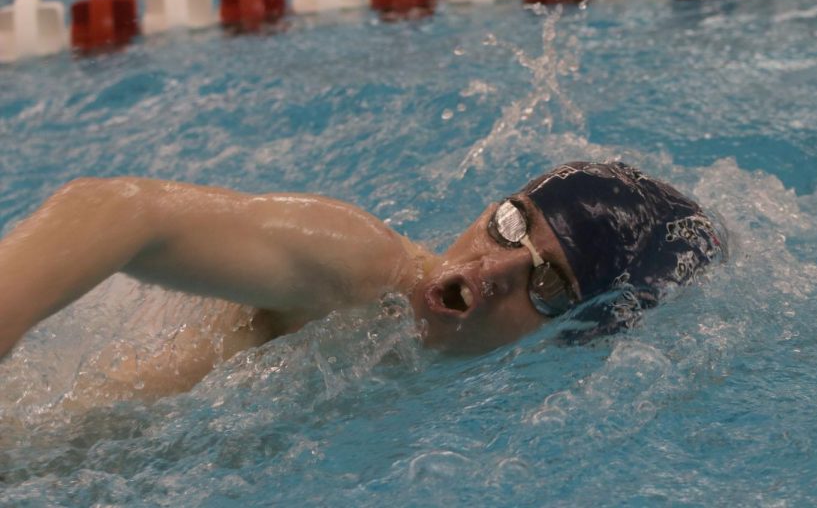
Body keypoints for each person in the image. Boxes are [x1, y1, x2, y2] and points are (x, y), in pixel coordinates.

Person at [0, 161, 724, 403]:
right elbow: (117, 210)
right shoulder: (360, 270)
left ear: (579, 337)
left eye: (551, 285)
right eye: (510, 223)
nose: (490, 269)